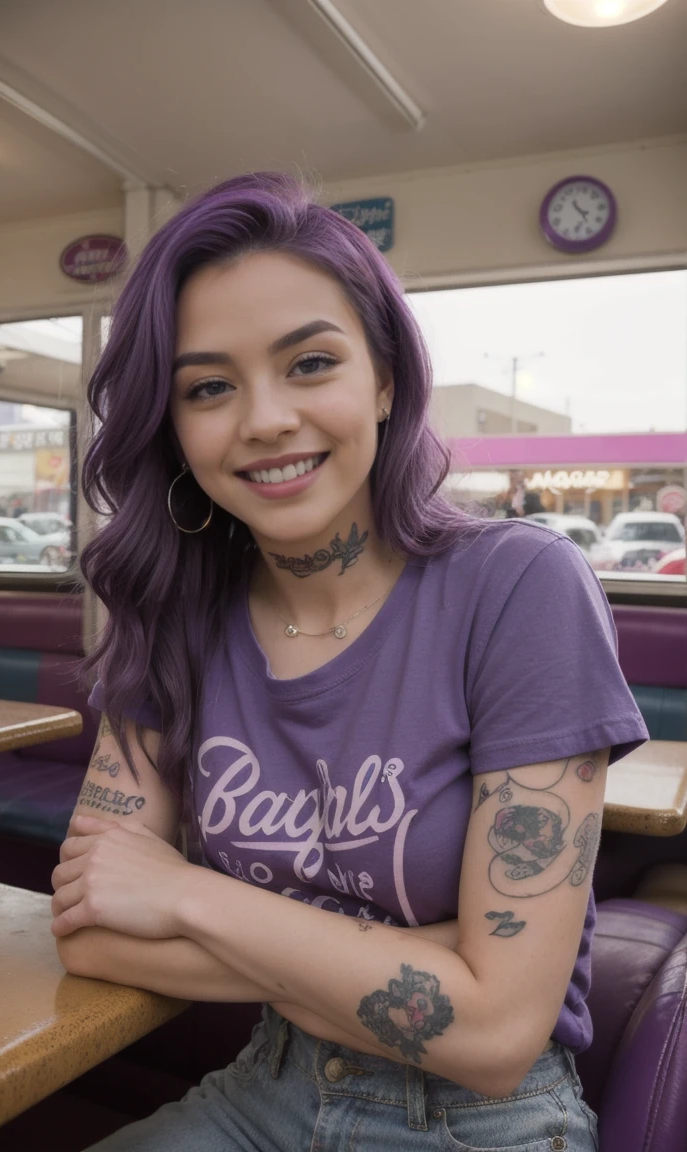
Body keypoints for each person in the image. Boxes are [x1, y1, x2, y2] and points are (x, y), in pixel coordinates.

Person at [51, 173, 649, 1151]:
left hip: (485, 1122)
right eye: (208, 386)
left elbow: (498, 1034)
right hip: (262, 1087)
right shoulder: (174, 619)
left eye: (309, 364)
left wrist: (187, 895)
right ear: (173, 425)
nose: (264, 419)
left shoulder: (519, 587)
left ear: (382, 380)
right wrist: (432, 972)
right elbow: (93, 932)